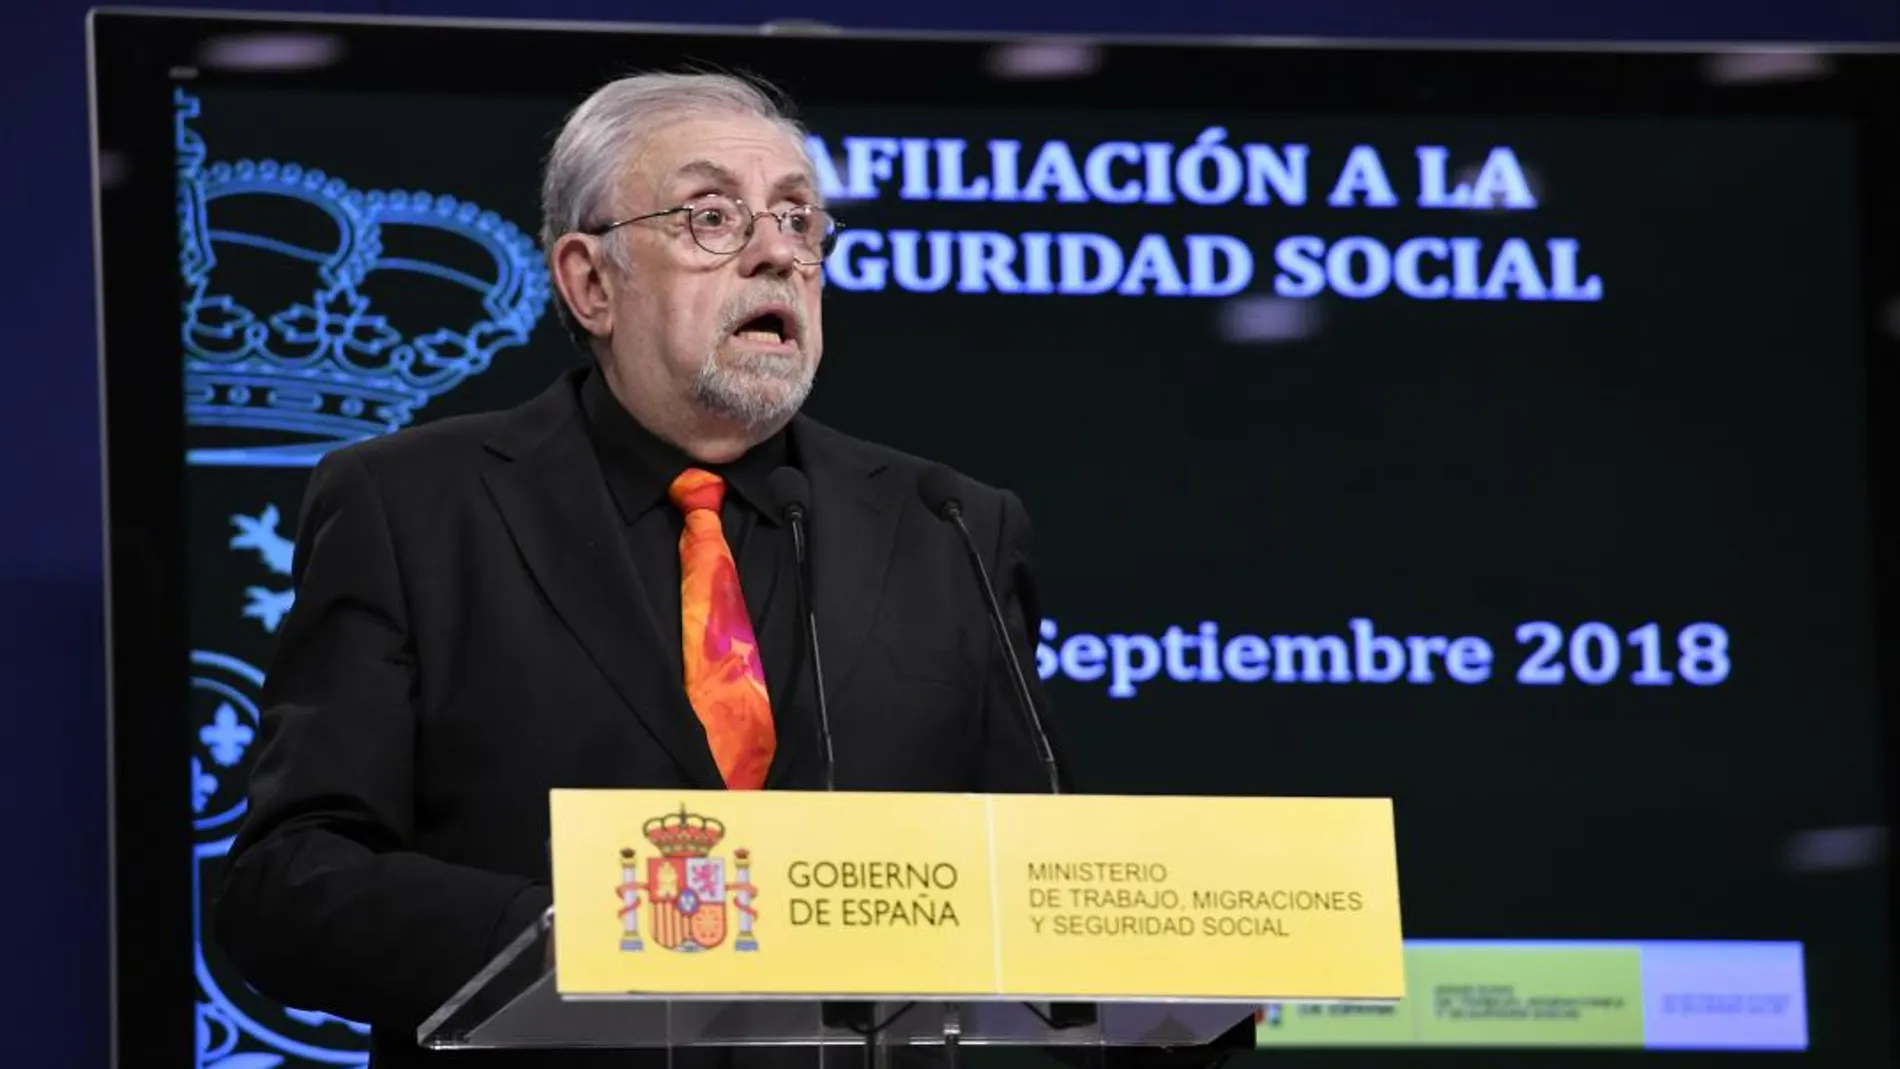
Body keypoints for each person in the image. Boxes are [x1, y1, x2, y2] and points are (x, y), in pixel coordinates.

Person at [214, 72, 1068, 1068]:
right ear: (589, 280)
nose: (777, 252)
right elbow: (284, 883)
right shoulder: (409, 507)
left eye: (798, 217)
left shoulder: (951, 524)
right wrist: (566, 941)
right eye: (713, 216)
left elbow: (1034, 890)